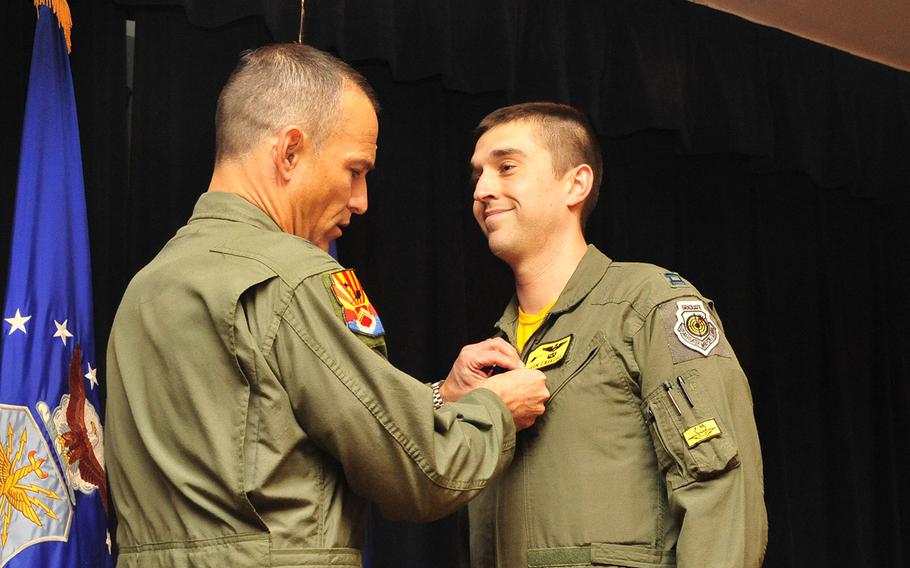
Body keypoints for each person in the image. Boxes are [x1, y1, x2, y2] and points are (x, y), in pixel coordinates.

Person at [105, 44, 550, 568]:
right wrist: (496, 409)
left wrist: (438, 398)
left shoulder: (145, 287)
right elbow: (424, 473)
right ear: (289, 151)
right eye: (355, 169)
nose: (361, 200)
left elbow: (261, 430)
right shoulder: (295, 277)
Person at [466, 102, 768, 567]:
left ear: (575, 184)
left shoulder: (647, 305)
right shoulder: (495, 351)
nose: (484, 190)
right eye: (477, 177)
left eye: (506, 168)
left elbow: (720, 488)